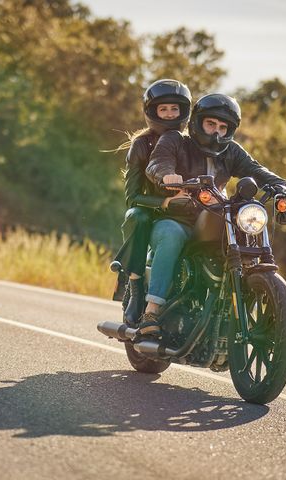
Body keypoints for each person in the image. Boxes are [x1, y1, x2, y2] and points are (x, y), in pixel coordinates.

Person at [137, 93, 286, 336]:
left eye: (223, 127)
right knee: (171, 235)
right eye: (211, 124)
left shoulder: (232, 151)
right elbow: (157, 163)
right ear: (198, 122)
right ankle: (151, 312)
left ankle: (237, 311)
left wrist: (283, 185)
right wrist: (167, 175)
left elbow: (256, 170)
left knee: (245, 235)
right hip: (178, 217)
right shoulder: (175, 140)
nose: (217, 132)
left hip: (217, 218)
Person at [112, 79, 192, 326]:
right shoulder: (141, 144)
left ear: (184, 112)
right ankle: (135, 286)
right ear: (152, 112)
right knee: (137, 216)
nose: (169, 114)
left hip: (185, 214)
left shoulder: (191, 142)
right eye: (163, 109)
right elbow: (132, 197)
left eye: (174, 109)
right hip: (151, 212)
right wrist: (164, 202)